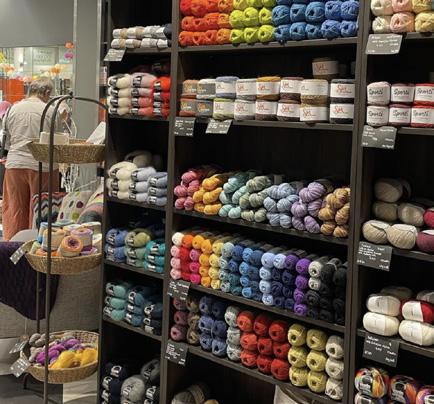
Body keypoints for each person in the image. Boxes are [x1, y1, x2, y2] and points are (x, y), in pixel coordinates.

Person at [2, 78, 61, 240]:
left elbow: (7, 142)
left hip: (15, 164)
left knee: (15, 209)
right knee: (41, 211)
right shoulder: (51, 110)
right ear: (47, 93)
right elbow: (59, 140)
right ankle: (37, 247)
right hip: (43, 166)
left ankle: (12, 247)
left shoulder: (13, 109)